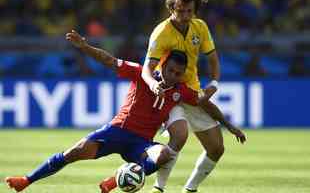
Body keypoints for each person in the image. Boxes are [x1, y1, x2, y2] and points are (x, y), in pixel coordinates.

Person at [5, 30, 219, 193]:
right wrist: (85, 47)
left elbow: (202, 102)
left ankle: (116, 180)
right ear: (162, 64)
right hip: (116, 131)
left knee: (163, 154)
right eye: (170, 70)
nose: (172, 75)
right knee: (73, 153)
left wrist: (228, 122)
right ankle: (27, 180)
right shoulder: (140, 73)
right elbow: (109, 60)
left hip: (141, 143)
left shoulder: (180, 91)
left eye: (178, 73)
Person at [141, 0, 246, 193]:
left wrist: (214, 83)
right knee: (179, 137)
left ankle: (190, 189)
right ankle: (159, 188)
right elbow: (148, 67)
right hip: (169, 92)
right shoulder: (161, 32)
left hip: (193, 94)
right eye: (180, 11)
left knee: (216, 148)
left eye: (190, 11)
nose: (185, 16)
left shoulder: (200, 27)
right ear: (171, 9)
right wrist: (154, 84)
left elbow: (213, 58)